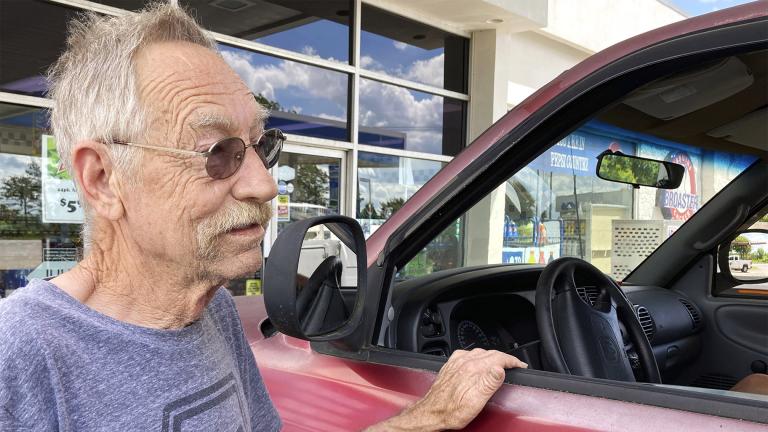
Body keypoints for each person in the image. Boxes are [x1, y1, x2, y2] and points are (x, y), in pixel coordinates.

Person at [0, 3, 526, 431]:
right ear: (102, 179)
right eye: (216, 151)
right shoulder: (19, 356)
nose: (264, 184)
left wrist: (426, 418)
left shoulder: (213, 311)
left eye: (260, 145)